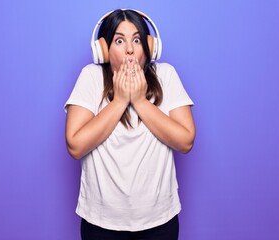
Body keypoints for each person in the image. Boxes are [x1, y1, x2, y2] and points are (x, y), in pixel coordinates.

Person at [64, 9, 195, 240]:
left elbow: (185, 141)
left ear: (150, 46)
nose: (130, 49)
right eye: (119, 40)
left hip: (160, 221)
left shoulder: (166, 75)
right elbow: (75, 145)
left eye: (137, 39)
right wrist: (121, 100)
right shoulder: (91, 77)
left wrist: (140, 101)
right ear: (103, 50)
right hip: (101, 223)